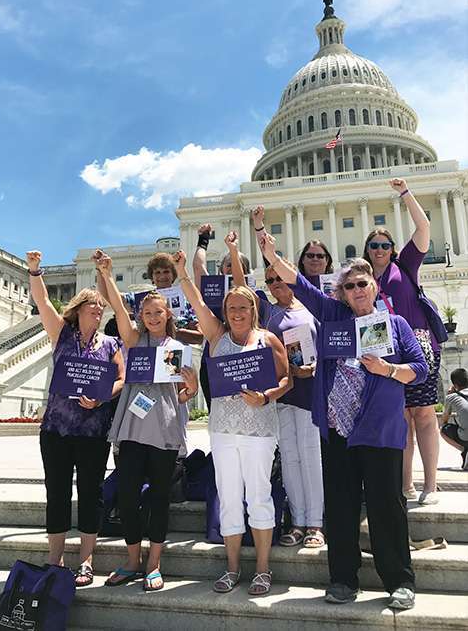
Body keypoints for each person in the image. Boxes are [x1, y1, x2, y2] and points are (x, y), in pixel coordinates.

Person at [260, 233, 428, 610]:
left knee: (387, 506)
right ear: (342, 293)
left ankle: (400, 580)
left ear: (374, 286)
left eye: (362, 284)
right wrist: (270, 252)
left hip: (380, 429)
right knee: (340, 507)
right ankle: (342, 579)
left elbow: (418, 369)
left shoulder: (396, 324)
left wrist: (388, 369)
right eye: (349, 286)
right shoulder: (333, 316)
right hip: (339, 430)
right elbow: (298, 283)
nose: (356, 290)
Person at [173, 248, 289, 596]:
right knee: (228, 498)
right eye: (231, 307)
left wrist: (266, 396)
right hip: (223, 431)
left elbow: (287, 379)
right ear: (224, 312)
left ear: (254, 310)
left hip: (259, 430)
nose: (237, 312)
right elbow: (195, 301)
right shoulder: (216, 336)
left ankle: (264, 569)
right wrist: (182, 272)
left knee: (259, 496)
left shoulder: (267, 338)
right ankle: (233, 567)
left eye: (243, 307)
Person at [97, 254, 198, 592]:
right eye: (148, 313)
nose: (153, 317)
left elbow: (182, 396)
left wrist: (192, 388)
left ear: (168, 314)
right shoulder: (134, 341)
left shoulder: (177, 347)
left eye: (159, 312)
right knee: (126, 497)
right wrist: (107, 274)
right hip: (131, 429)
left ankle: (154, 564)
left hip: (165, 431)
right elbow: (118, 310)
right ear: (141, 315)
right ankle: (131, 560)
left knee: (158, 498)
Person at [26, 251, 125, 587]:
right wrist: (36, 270)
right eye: (92, 306)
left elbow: (122, 378)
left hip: (93, 431)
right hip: (56, 430)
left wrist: (103, 395)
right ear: (79, 309)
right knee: (56, 492)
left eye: (101, 308)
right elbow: (42, 302)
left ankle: (85, 560)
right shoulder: (62, 335)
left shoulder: (111, 343)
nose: (98, 311)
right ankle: (55, 559)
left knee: (90, 493)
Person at [231, 222, 325, 549]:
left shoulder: (314, 306)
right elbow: (242, 290)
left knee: (312, 456)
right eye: (269, 281)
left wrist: (314, 368)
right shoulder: (269, 312)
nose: (273, 285)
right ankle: (298, 521)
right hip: (283, 393)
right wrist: (234, 250)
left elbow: (327, 345)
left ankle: (316, 522)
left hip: (311, 392)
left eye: (277, 279)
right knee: (291, 458)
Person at [362, 178, 439, 505]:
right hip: (384, 353)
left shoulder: (404, 265)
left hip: (418, 344)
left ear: (392, 249)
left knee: (423, 413)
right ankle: (405, 484)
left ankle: (431, 485)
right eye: (374, 246)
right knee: (400, 417)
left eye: (384, 245)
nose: (379, 250)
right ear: (367, 251)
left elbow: (423, 226)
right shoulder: (363, 280)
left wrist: (405, 193)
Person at [192, 223, 256, 411]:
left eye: (239, 265)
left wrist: (233, 251)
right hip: (213, 361)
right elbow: (197, 267)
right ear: (221, 269)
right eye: (229, 264)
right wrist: (203, 239)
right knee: (217, 417)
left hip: (245, 360)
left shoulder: (251, 294)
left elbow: (240, 282)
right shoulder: (213, 290)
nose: (233, 268)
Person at [95, 250, 203, 346]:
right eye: (157, 273)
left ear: (173, 275)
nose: (162, 276)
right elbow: (110, 298)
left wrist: (171, 331)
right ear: (152, 277)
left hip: (177, 357)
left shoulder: (186, 301)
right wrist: (101, 270)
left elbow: (199, 337)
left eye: (166, 272)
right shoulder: (142, 299)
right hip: (147, 354)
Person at [440, 368, 468, 470]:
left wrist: (449, 395)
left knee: (443, 429)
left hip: (465, 436)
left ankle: (464, 450)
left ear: (455, 385)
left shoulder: (452, 397)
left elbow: (444, 420)